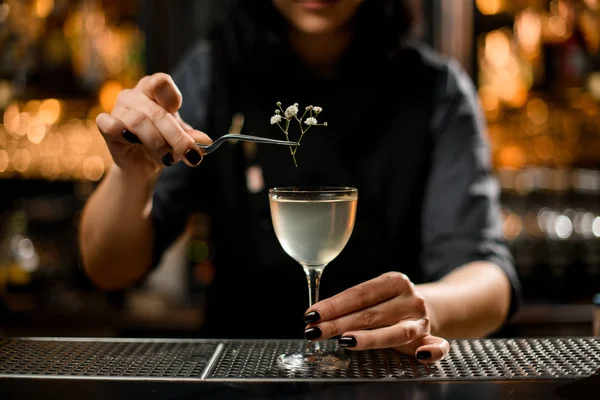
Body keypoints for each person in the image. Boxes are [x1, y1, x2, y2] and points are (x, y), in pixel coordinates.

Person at [79, 0, 522, 363]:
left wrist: (423, 308)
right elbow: (110, 269)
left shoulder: (434, 89)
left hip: (387, 377)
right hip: (237, 377)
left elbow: (489, 278)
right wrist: (132, 175)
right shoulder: (214, 70)